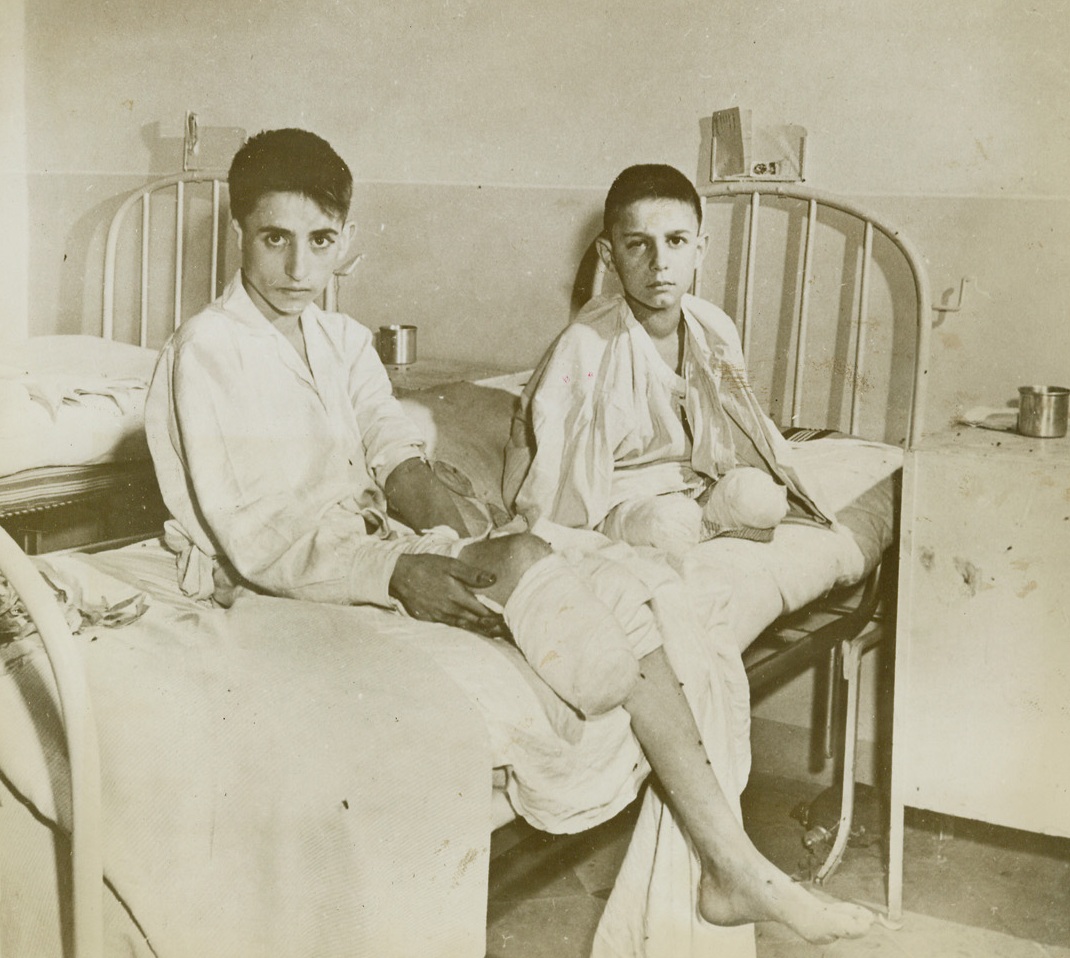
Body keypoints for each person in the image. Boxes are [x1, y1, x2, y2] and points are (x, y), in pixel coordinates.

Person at [145, 129, 873, 952]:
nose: (297, 268)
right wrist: (402, 568)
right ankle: (736, 870)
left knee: (599, 573)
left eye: (319, 242)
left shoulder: (339, 339)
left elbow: (392, 448)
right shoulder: (208, 349)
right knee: (542, 570)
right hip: (280, 576)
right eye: (275, 239)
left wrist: (460, 521)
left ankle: (730, 868)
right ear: (240, 230)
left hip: (363, 537)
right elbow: (261, 536)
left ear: (344, 240)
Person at [503, 163, 834, 552]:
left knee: (762, 500)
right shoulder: (586, 343)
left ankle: (704, 518)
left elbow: (739, 428)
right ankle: (690, 523)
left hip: (692, 481)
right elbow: (561, 471)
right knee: (668, 525)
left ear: (700, 249)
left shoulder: (714, 327)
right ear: (609, 256)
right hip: (616, 489)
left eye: (676, 240)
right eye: (638, 244)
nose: (658, 261)